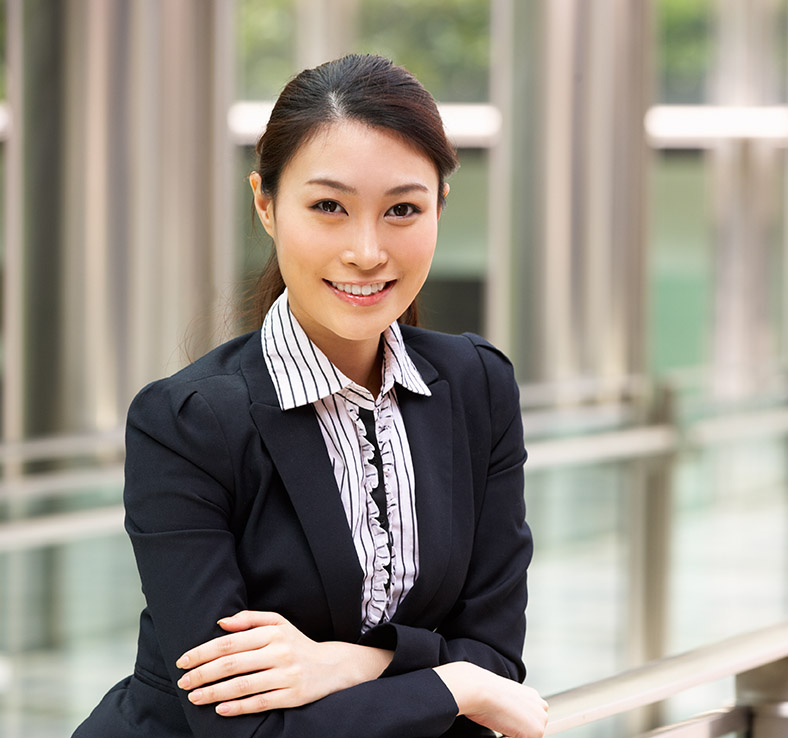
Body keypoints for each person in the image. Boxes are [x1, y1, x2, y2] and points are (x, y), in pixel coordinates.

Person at [73, 54, 546, 738]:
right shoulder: (187, 422)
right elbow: (245, 730)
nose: (366, 250)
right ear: (265, 205)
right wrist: (453, 680)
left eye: (402, 210)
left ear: (440, 206)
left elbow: (497, 658)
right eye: (328, 206)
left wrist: (354, 663)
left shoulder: (477, 386)